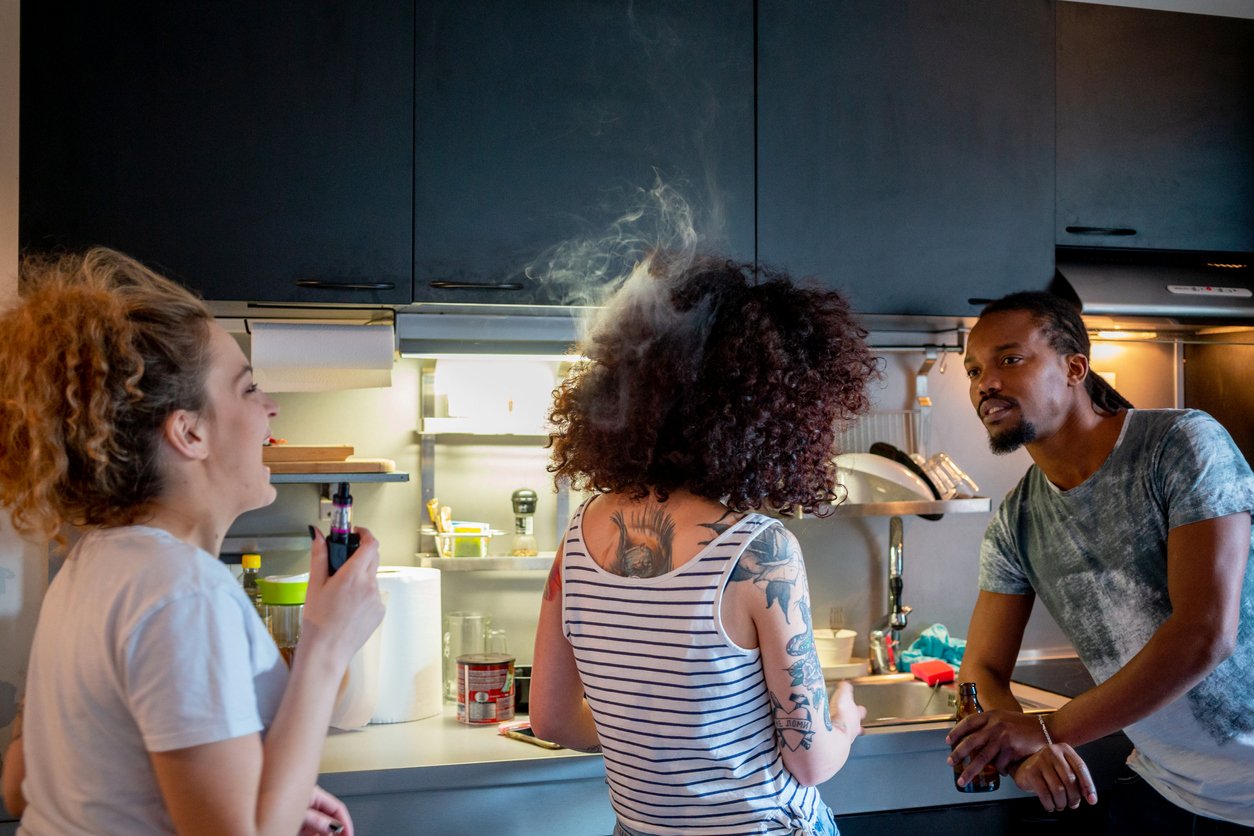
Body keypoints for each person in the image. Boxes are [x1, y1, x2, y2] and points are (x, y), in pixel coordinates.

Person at [0, 248, 385, 835]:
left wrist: (269, 793)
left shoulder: (92, 561)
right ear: (189, 431)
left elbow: (23, 787)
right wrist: (328, 643)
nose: (271, 408)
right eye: (249, 388)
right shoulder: (182, 593)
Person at [529, 254, 879, 835]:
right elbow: (810, 760)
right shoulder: (760, 552)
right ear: (768, 407)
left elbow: (550, 718)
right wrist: (843, 721)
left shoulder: (578, 536)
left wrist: (651, 737)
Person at [949, 290, 1254, 831]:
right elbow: (982, 671)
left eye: (1009, 359)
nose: (985, 383)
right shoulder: (1015, 522)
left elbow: (1206, 631)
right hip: (1167, 791)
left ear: (1074, 368)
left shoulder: (1182, 444)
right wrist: (1023, 751)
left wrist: (1050, 729)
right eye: (973, 370)